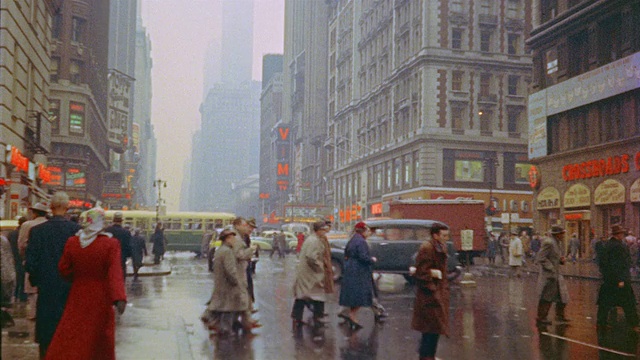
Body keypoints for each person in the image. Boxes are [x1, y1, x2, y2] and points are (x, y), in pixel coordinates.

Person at [44, 207, 126, 360]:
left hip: (77, 293)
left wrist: (77, 278)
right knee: (98, 337)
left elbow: (64, 269)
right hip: (100, 297)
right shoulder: (110, 244)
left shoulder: (73, 242)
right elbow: (115, 273)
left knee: (74, 332)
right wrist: (119, 297)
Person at [24, 192, 81, 358]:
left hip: (46, 286)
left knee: (47, 330)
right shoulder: (75, 230)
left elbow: (31, 261)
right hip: (68, 286)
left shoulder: (37, 231)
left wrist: (36, 281)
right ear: (67, 207)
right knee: (67, 327)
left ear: (50, 207)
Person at [411, 222, 450, 360]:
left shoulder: (440, 246)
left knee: (434, 328)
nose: (446, 238)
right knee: (430, 328)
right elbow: (422, 272)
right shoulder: (427, 248)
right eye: (444, 235)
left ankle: (429, 355)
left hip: (437, 292)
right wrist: (433, 290)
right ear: (435, 235)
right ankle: (426, 356)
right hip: (429, 296)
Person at [202, 229, 248, 337]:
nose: (234, 240)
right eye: (232, 238)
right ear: (227, 239)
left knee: (224, 308)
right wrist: (236, 282)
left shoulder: (220, 250)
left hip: (221, 284)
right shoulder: (227, 252)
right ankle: (225, 330)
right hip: (227, 285)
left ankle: (220, 326)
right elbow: (230, 270)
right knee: (228, 308)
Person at [596, 224, 639, 332]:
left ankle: (601, 323)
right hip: (619, 279)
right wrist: (621, 279)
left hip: (609, 280)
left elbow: (603, 263)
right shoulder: (618, 246)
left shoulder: (607, 245)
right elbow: (618, 264)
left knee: (605, 303)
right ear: (618, 234)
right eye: (622, 233)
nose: (623, 235)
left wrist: (606, 275)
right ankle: (634, 324)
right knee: (629, 302)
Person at [338, 221, 376, 330]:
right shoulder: (361, 242)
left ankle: (352, 315)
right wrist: (372, 260)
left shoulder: (353, 239)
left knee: (354, 294)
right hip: (359, 271)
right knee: (360, 294)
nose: (369, 233)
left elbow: (347, 254)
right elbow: (363, 257)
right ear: (363, 231)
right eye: (368, 230)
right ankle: (352, 316)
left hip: (351, 269)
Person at [291, 221, 329, 328]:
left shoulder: (312, 239)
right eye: (324, 230)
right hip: (311, 273)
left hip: (306, 272)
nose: (325, 232)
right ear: (319, 230)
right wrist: (319, 266)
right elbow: (311, 257)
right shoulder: (314, 241)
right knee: (317, 294)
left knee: (303, 295)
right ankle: (318, 316)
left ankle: (297, 316)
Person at [18, 202, 49, 320]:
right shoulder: (48, 224)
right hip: (47, 262)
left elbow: (21, 244)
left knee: (31, 290)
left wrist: (24, 258)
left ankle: (33, 313)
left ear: (34, 213)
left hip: (31, 260)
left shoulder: (27, 225)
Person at [534, 225, 570, 326]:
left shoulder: (557, 243)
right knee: (546, 297)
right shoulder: (549, 242)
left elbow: (554, 257)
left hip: (556, 274)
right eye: (562, 233)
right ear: (557, 234)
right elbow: (540, 258)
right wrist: (551, 268)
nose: (563, 235)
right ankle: (541, 318)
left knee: (562, 296)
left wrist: (560, 260)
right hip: (549, 275)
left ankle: (559, 316)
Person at [230, 217, 260, 332]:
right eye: (247, 226)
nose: (249, 229)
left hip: (242, 269)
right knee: (240, 296)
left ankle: (246, 319)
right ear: (238, 225)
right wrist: (251, 250)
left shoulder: (242, 236)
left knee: (242, 295)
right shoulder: (237, 238)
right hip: (238, 270)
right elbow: (239, 255)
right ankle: (245, 320)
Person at [104, 212, 132, 280]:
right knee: (120, 278)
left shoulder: (107, 230)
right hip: (121, 258)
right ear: (121, 221)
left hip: (108, 259)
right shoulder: (126, 232)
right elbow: (129, 247)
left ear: (113, 220)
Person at [7, 216, 27, 302]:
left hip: (13, 258)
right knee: (23, 278)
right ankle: (22, 296)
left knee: (16, 278)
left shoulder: (12, 234)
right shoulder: (25, 233)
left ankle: (14, 295)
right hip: (22, 258)